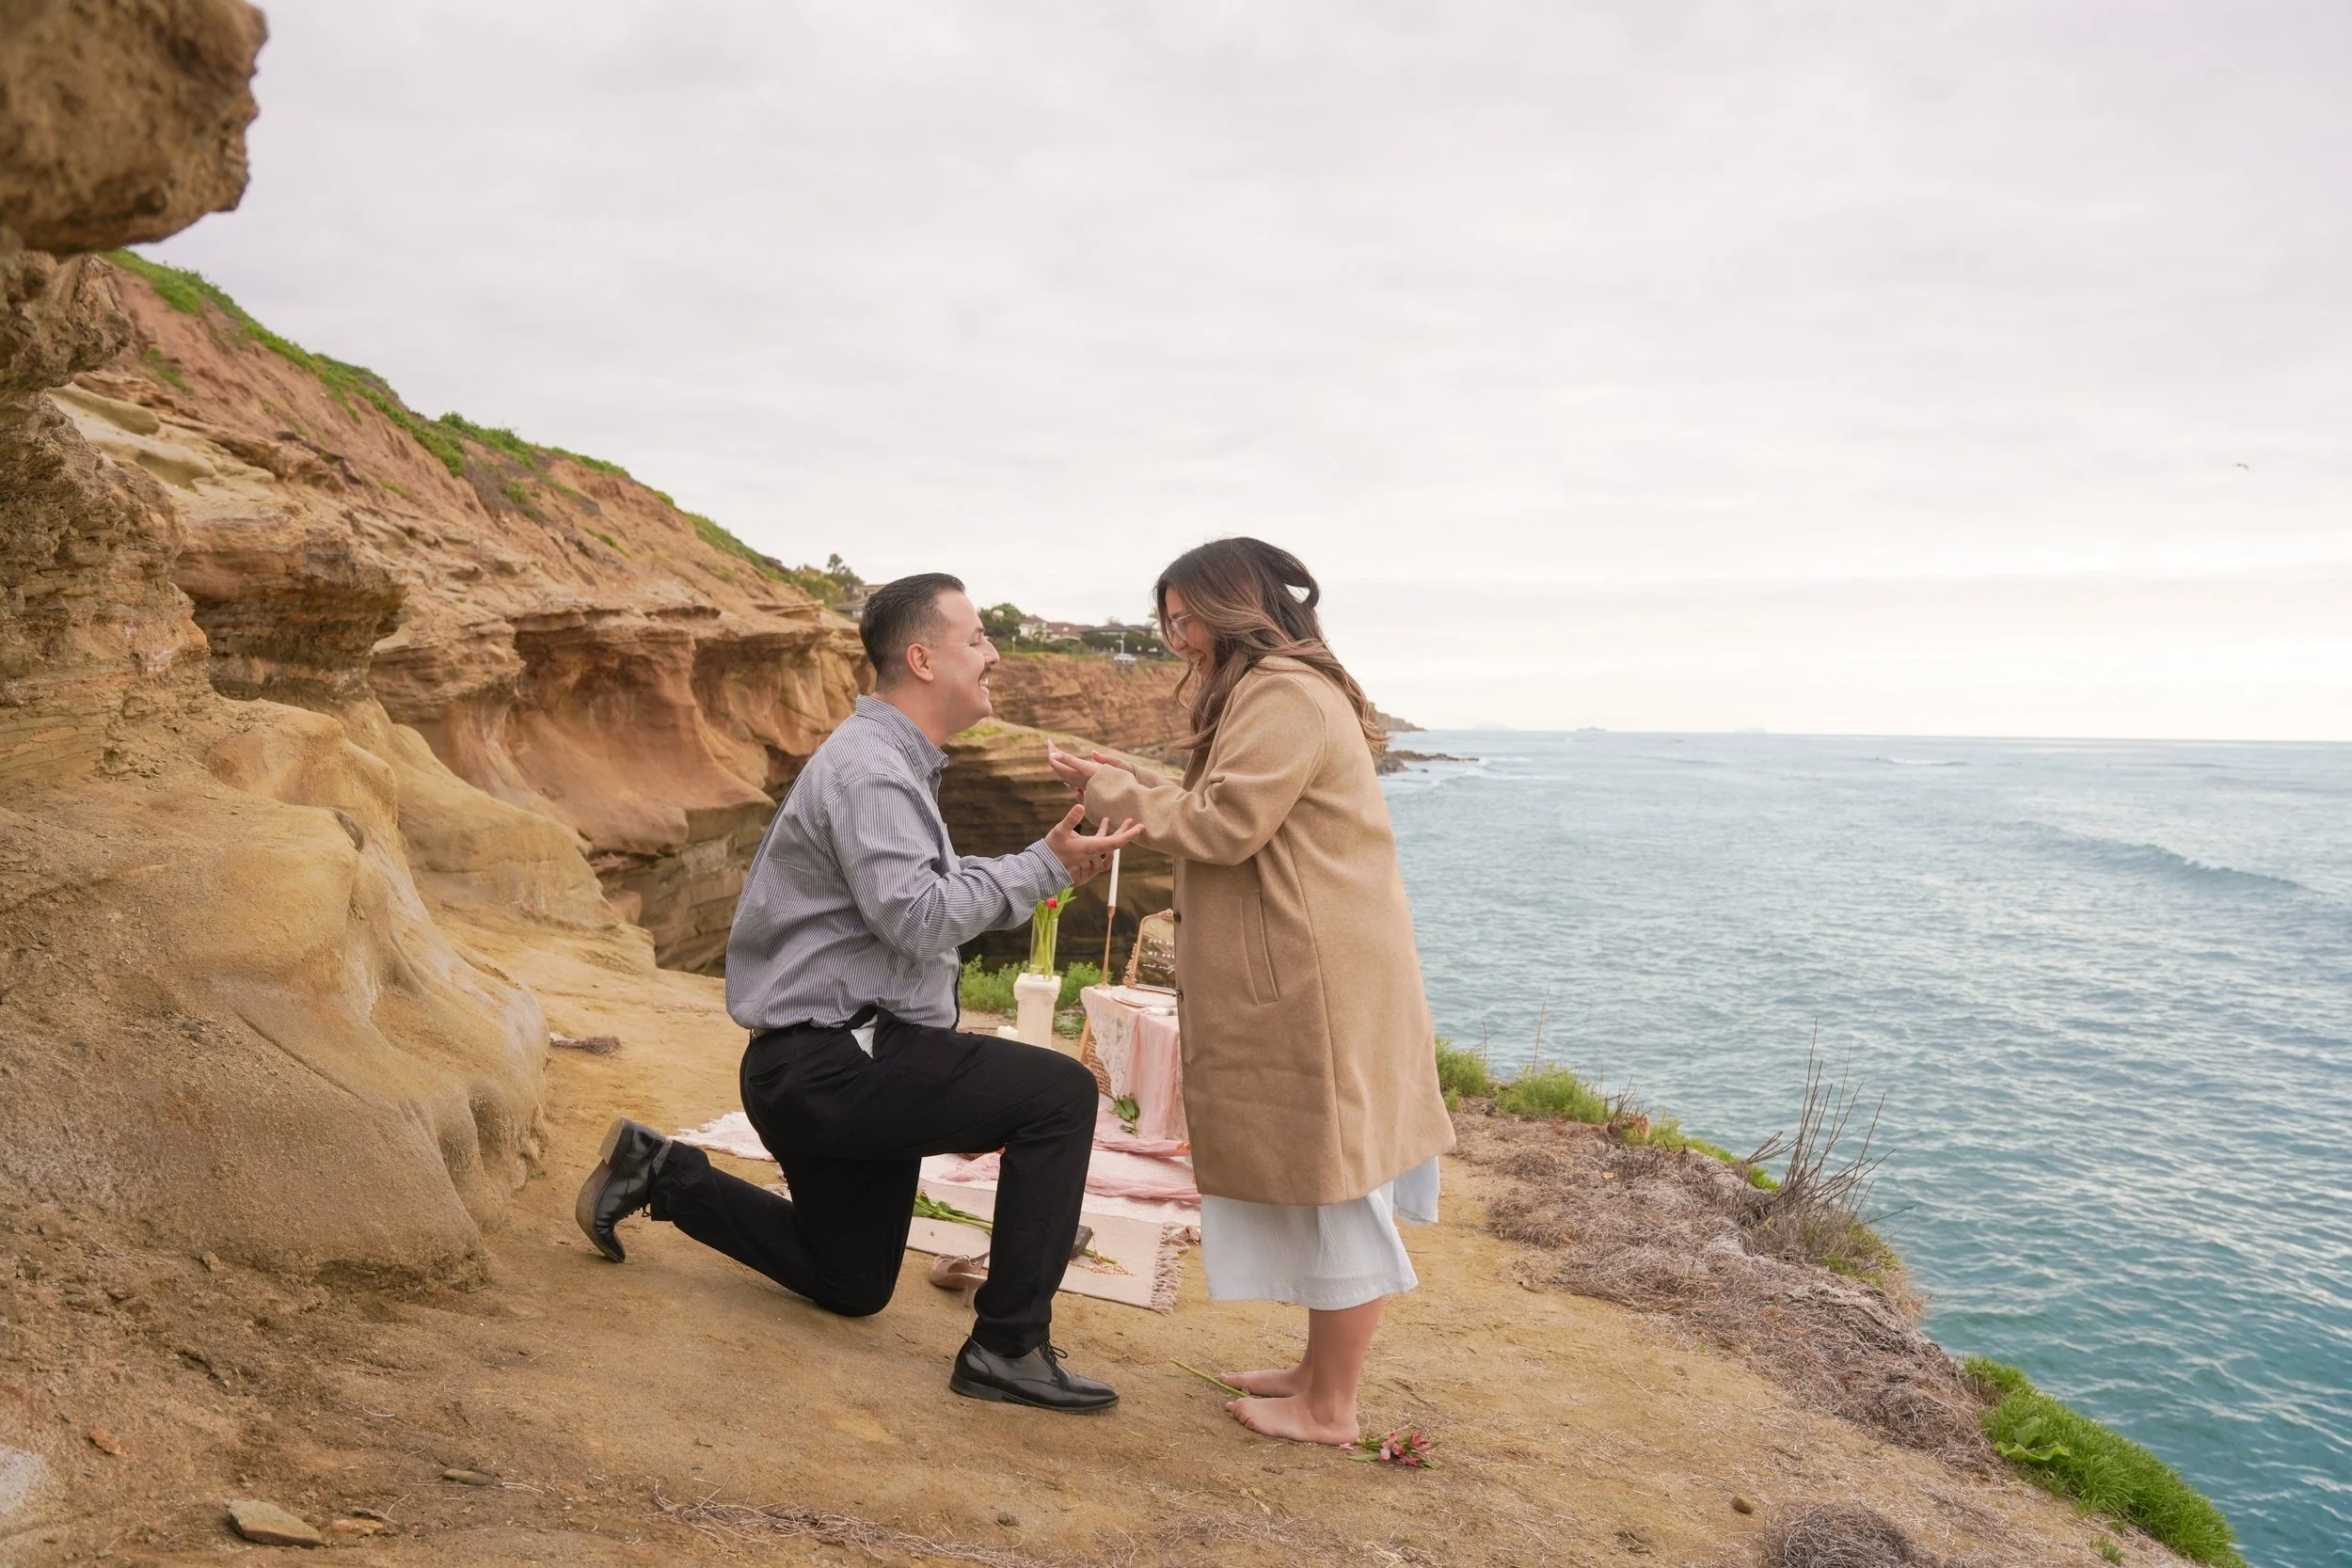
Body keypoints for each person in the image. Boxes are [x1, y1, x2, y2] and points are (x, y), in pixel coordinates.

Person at [576, 573, 1143, 1412]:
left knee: (852, 1280)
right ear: (922, 658)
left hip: (820, 1063)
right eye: (977, 637)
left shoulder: (887, 759)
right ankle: (1006, 1346)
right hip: (834, 1063)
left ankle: (660, 1172)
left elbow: (920, 889)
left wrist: (1042, 861)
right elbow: (917, 918)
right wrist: (1043, 867)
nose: (992, 653)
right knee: (1058, 1095)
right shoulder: (874, 769)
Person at [1045, 537, 1454, 1446]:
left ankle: (1330, 1406)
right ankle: (1316, 1373)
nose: (1177, 638)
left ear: (1234, 608)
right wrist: (1134, 786)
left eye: (1185, 619)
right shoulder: (1292, 689)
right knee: (1325, 1173)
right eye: (1170, 623)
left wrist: (1123, 791)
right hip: (1326, 970)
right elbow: (1235, 802)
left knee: (1333, 1181)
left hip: (1315, 982)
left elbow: (1228, 823)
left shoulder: (1280, 693)